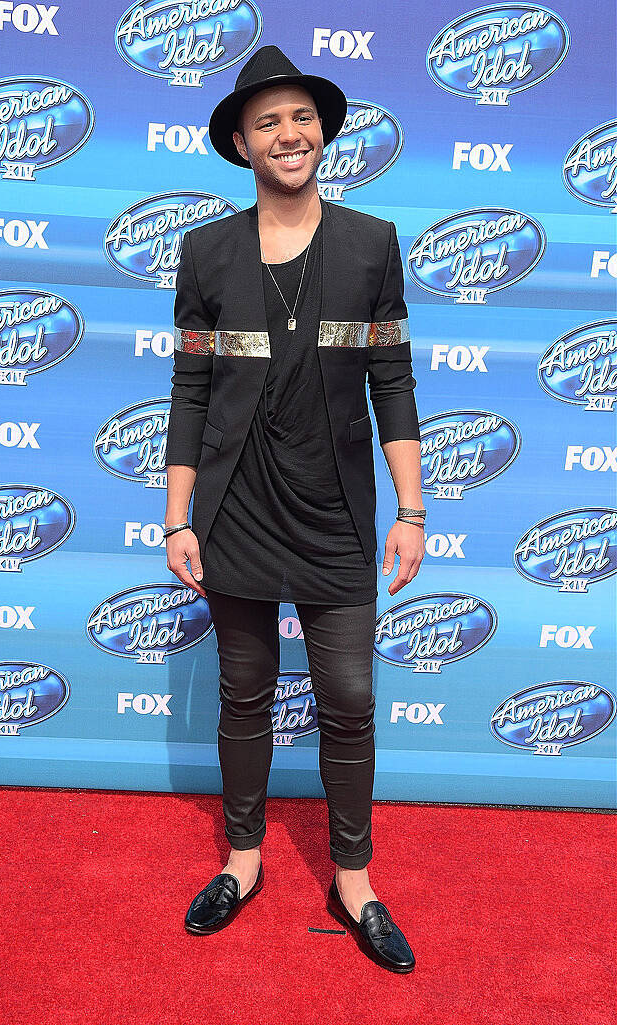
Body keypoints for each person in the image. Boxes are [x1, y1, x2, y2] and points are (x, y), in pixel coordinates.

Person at [164, 44, 425, 972]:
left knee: (349, 699)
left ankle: (353, 879)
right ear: (241, 142)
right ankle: (243, 859)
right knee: (244, 692)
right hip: (235, 511)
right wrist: (177, 516)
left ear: (324, 131)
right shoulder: (205, 252)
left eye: (302, 116)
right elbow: (190, 389)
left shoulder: (371, 243)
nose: (289, 132)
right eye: (268, 120)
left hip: (339, 516)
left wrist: (411, 510)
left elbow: (390, 377)